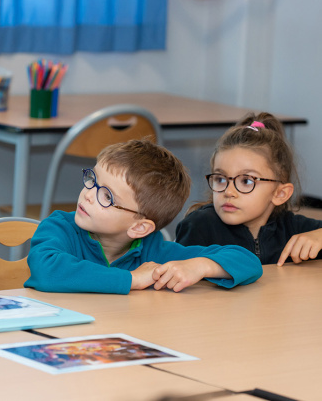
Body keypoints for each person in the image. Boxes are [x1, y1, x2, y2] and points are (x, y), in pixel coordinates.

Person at [24, 139, 262, 294]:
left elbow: (249, 262)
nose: (87, 194)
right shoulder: (60, 227)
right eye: (92, 180)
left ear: (139, 228)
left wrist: (199, 266)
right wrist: (131, 279)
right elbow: (46, 270)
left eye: (106, 196)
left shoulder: (152, 251)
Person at [176, 112, 322, 266]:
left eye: (246, 181)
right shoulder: (198, 227)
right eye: (221, 179)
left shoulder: (293, 227)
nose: (229, 192)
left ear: (280, 193)